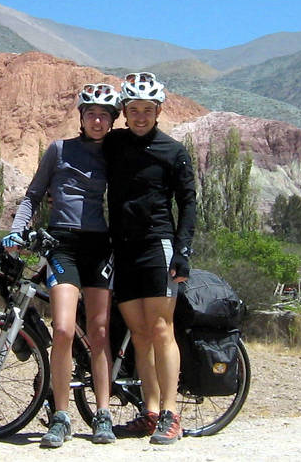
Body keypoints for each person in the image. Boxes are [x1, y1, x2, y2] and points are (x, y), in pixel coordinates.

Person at [3, 82, 120, 448]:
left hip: (100, 247)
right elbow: (33, 195)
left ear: (112, 120)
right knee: (65, 329)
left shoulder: (117, 156)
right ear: (81, 117)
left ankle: (103, 413)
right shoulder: (60, 150)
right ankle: (61, 416)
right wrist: (16, 231)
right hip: (63, 246)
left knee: (99, 332)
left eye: (104, 115)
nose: (97, 121)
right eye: (91, 115)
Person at [101, 72, 196, 445]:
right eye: (134, 109)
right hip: (122, 248)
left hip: (158, 246)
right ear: (124, 110)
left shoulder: (173, 151)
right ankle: (151, 411)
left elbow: (188, 205)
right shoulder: (114, 144)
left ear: (159, 111)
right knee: (139, 335)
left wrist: (183, 253)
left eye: (148, 110)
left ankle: (172, 414)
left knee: (160, 330)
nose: (140, 116)